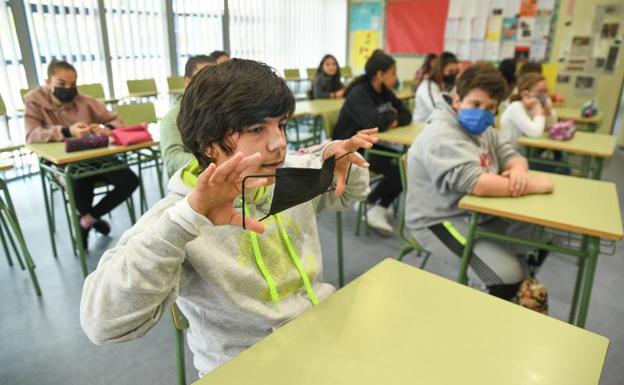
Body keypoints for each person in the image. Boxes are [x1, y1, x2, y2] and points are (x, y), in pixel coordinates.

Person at [80, 58, 377, 377]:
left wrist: (342, 164)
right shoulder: (176, 218)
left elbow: (347, 196)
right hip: (243, 365)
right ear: (210, 144)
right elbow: (101, 325)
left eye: (281, 124)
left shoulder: (287, 175)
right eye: (256, 129)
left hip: (318, 333)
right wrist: (182, 225)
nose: (278, 143)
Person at [406, 63, 554, 301]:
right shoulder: (441, 134)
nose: (483, 113)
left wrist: (518, 172)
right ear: (457, 100)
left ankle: (518, 291)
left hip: (479, 213)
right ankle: (498, 299)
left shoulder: (484, 128)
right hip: (439, 221)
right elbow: (478, 184)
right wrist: (533, 184)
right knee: (505, 276)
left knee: (542, 238)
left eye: (490, 108)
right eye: (475, 104)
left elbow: (512, 155)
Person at [24, 60, 139, 250]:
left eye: (73, 84)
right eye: (61, 84)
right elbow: (31, 135)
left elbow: (117, 120)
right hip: (61, 164)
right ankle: (86, 229)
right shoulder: (34, 101)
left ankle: (87, 219)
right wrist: (67, 131)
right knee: (80, 185)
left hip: (93, 156)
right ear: (47, 81)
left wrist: (104, 128)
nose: (68, 89)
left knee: (129, 180)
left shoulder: (84, 101)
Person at [333, 51, 411, 235]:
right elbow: (374, 122)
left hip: (368, 143)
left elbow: (407, 114)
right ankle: (373, 204)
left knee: (405, 162)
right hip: (349, 147)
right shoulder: (359, 93)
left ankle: (374, 204)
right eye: (393, 73)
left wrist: (389, 118)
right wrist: (391, 116)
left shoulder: (384, 92)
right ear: (380, 74)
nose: (396, 77)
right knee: (399, 168)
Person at [161, 55, 216, 176]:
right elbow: (172, 158)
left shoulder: (223, 111)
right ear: (187, 81)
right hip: (191, 184)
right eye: (202, 78)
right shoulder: (173, 116)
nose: (210, 84)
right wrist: (212, 163)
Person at [500, 73, 557, 146]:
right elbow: (536, 133)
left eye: (546, 91)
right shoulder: (515, 107)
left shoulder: (533, 107)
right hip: (509, 153)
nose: (545, 95)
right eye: (540, 91)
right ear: (525, 94)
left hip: (524, 151)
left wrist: (548, 110)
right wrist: (538, 110)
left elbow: (551, 127)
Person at [413, 51, 459, 122]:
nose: (454, 75)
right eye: (450, 72)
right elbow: (437, 108)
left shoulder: (449, 86)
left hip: (439, 122)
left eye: (456, 72)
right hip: (421, 125)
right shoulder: (428, 86)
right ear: (440, 71)